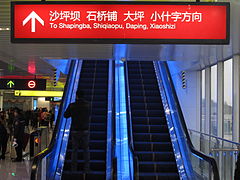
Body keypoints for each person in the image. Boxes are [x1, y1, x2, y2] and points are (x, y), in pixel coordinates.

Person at [64, 90, 90, 172]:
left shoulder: (72, 106)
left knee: (75, 150)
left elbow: (65, 115)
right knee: (86, 149)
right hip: (85, 130)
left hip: (75, 130)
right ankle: (86, 168)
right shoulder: (88, 105)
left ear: (77, 96)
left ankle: (73, 168)